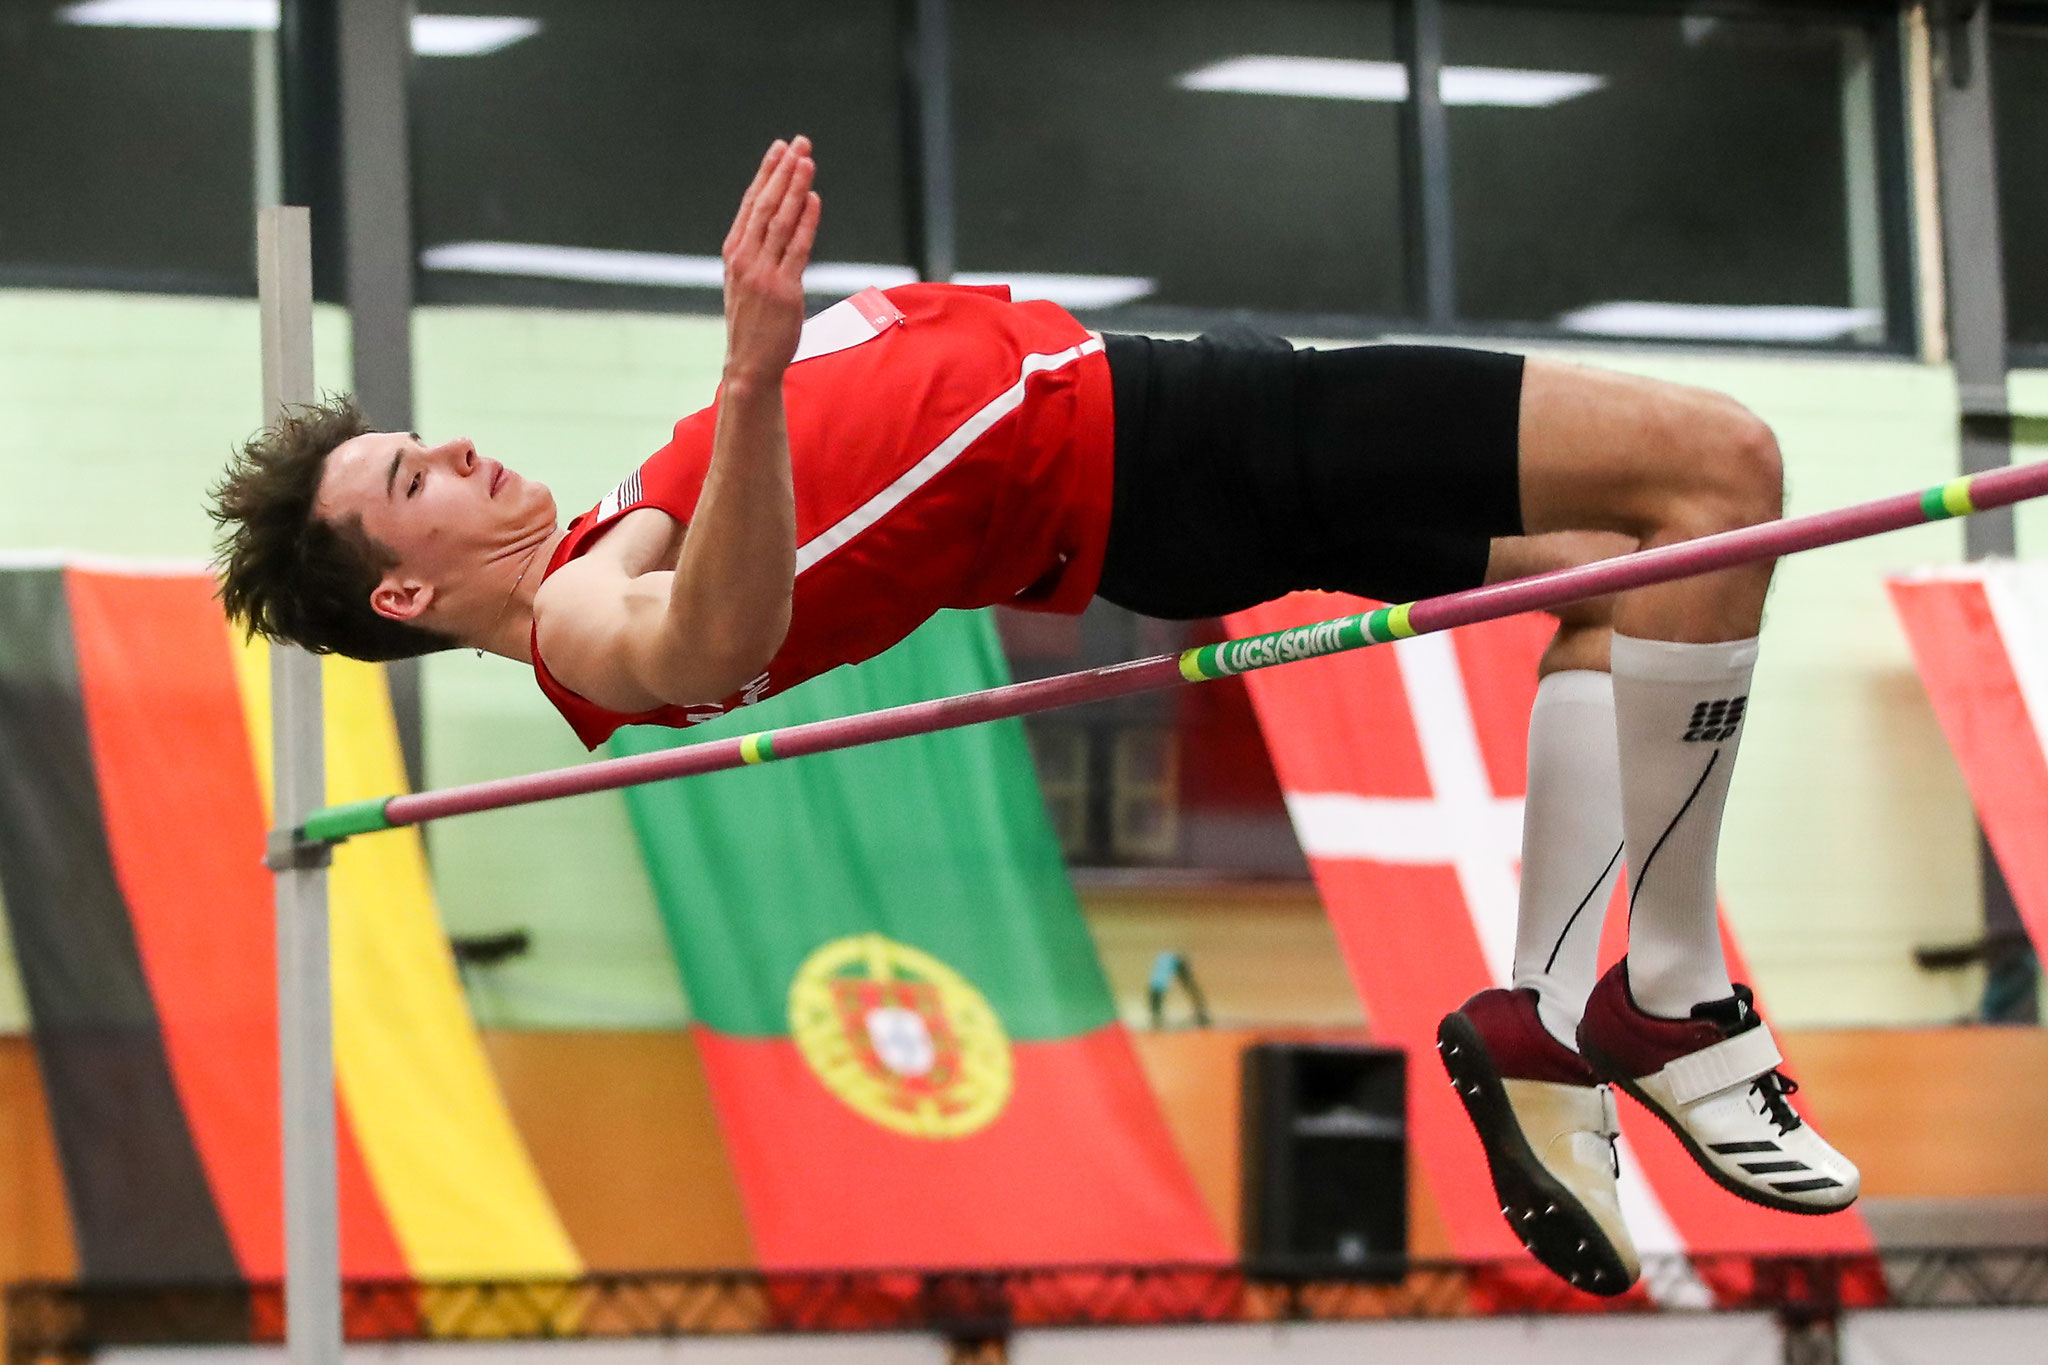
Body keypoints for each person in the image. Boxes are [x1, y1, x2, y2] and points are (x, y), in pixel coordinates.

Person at [210, 136, 1858, 1292]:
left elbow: (703, 561)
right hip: (1175, 445)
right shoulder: (583, 616)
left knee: (1617, 569)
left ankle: (1553, 1022)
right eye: (414, 481)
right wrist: (751, 369)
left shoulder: (600, 534)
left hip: (1161, 432)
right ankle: (1676, 984)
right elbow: (717, 631)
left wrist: (762, 390)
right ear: (407, 593)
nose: (460, 454)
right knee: (1721, 469)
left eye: (423, 438)